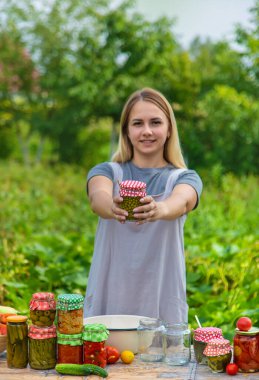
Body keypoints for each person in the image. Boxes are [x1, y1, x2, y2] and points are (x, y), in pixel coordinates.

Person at [84, 87, 202, 323]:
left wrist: (159, 209)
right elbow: (98, 198)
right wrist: (112, 207)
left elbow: (182, 201)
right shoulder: (107, 171)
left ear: (169, 129)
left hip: (161, 303)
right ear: (127, 131)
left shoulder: (184, 178)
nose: (147, 131)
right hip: (109, 300)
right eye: (137, 123)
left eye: (155, 122)